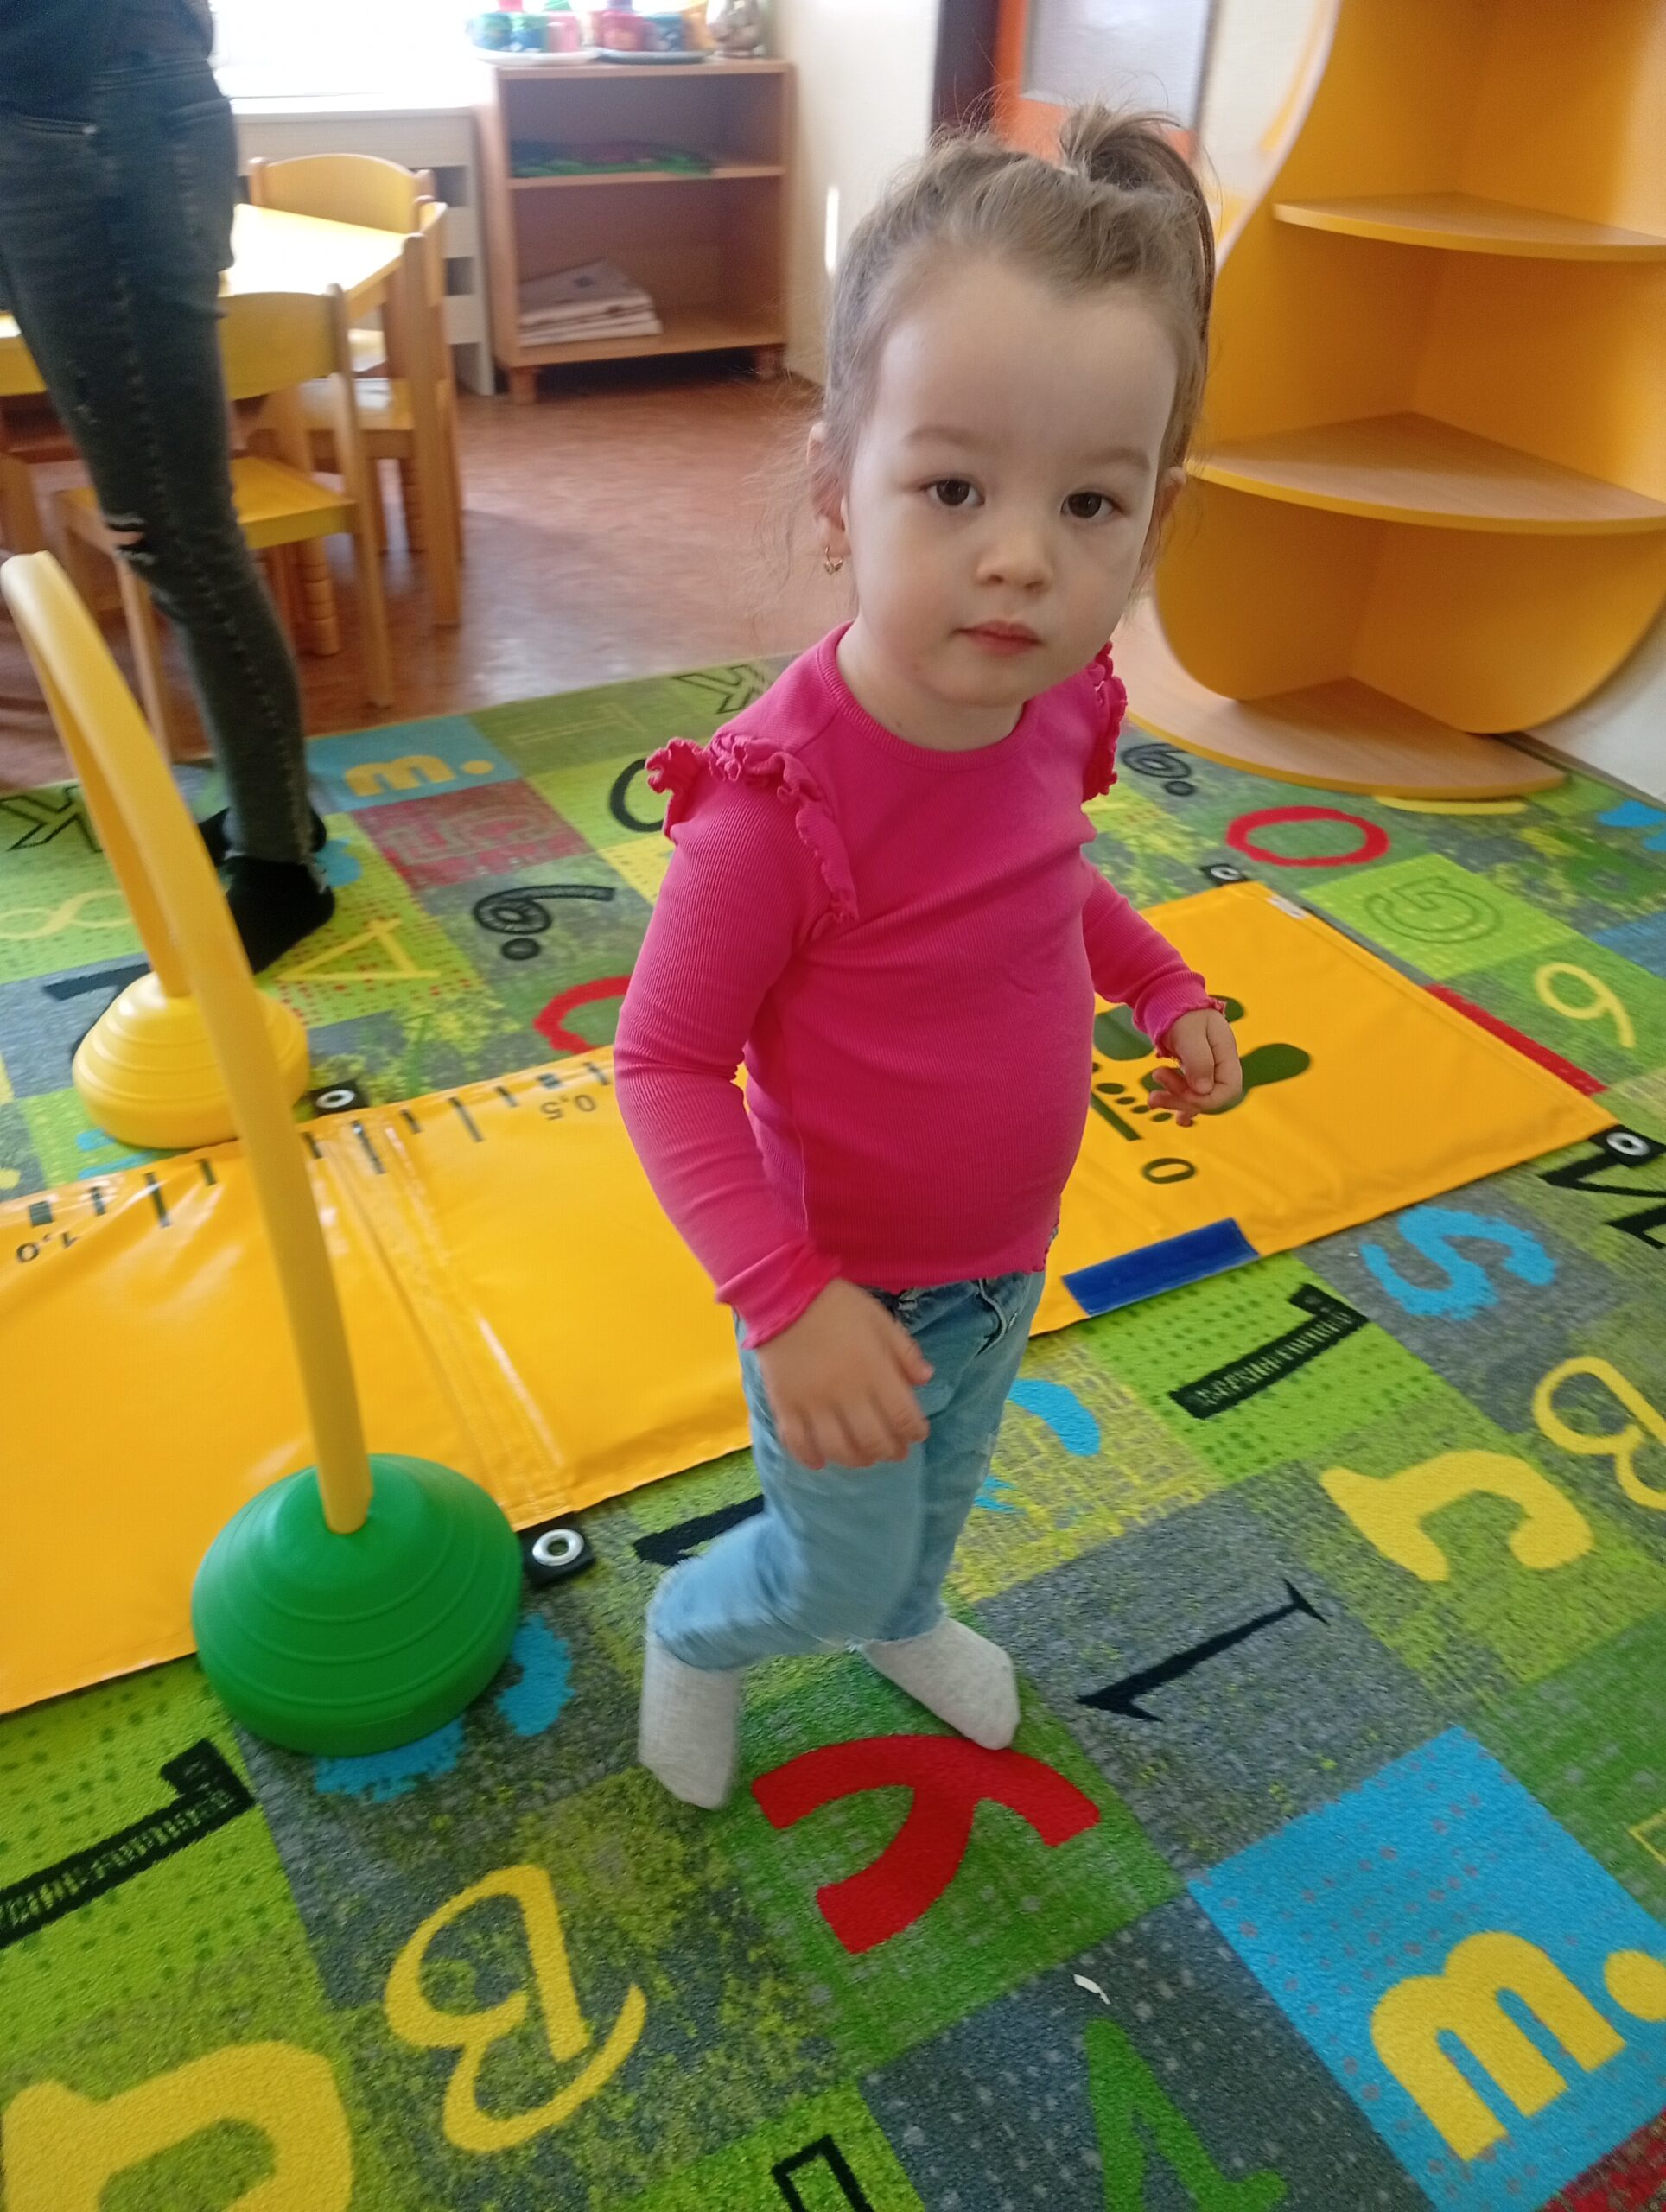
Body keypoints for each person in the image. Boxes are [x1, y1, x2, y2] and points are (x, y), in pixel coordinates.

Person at [614, 107, 1244, 1809]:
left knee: (938, 1502)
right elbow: (661, 1064)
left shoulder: (1047, 706)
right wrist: (785, 1300)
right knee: (817, 1561)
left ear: (1151, 518)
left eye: (1088, 499)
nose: (1021, 554)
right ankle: (692, 1627)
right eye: (952, 487)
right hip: (840, 1289)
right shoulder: (775, 802)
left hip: (1004, 1254)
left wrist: (1161, 982)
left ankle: (902, 1616)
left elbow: (1047, 891)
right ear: (840, 490)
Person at [0, 0, 333, 969]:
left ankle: (280, 867)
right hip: (66, 108)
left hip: (90, 113)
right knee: (170, 532)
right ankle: (274, 811)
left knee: (178, 536)